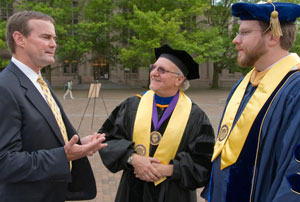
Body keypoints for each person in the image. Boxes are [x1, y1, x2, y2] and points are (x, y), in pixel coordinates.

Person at [0, 11, 107, 202]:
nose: (53, 44)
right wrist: (64, 155)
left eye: (54, 38)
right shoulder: (4, 88)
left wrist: (79, 145)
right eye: (45, 37)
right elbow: (5, 162)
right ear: (19, 39)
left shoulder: (40, 82)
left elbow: (38, 137)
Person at [202, 1, 300, 202]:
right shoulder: (244, 85)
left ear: (273, 36)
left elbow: (294, 173)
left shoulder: (295, 90)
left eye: (244, 33)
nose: (235, 40)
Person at [99, 44, 215, 202]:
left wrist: (168, 170)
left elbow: (204, 164)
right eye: (154, 67)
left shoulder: (195, 116)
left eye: (162, 70)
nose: (154, 73)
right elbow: (106, 139)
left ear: (179, 79)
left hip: (174, 193)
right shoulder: (131, 106)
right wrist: (133, 158)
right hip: (133, 190)